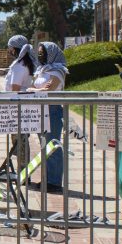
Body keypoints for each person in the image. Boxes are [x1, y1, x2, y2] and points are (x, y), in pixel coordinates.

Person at [32, 41, 68, 193]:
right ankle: (47, 178)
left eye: (43, 52)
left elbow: (47, 90)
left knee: (52, 146)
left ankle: (54, 181)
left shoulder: (58, 71)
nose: (40, 55)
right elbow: (36, 87)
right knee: (43, 146)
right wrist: (34, 89)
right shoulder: (42, 70)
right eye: (39, 52)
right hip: (41, 109)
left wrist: (33, 89)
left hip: (52, 110)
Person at [4, 35, 38, 169]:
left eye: (10, 48)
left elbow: (15, 88)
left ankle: (23, 172)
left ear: (15, 49)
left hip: (17, 107)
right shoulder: (27, 64)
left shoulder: (19, 66)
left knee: (19, 141)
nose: (9, 50)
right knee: (21, 139)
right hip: (24, 106)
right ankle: (23, 171)